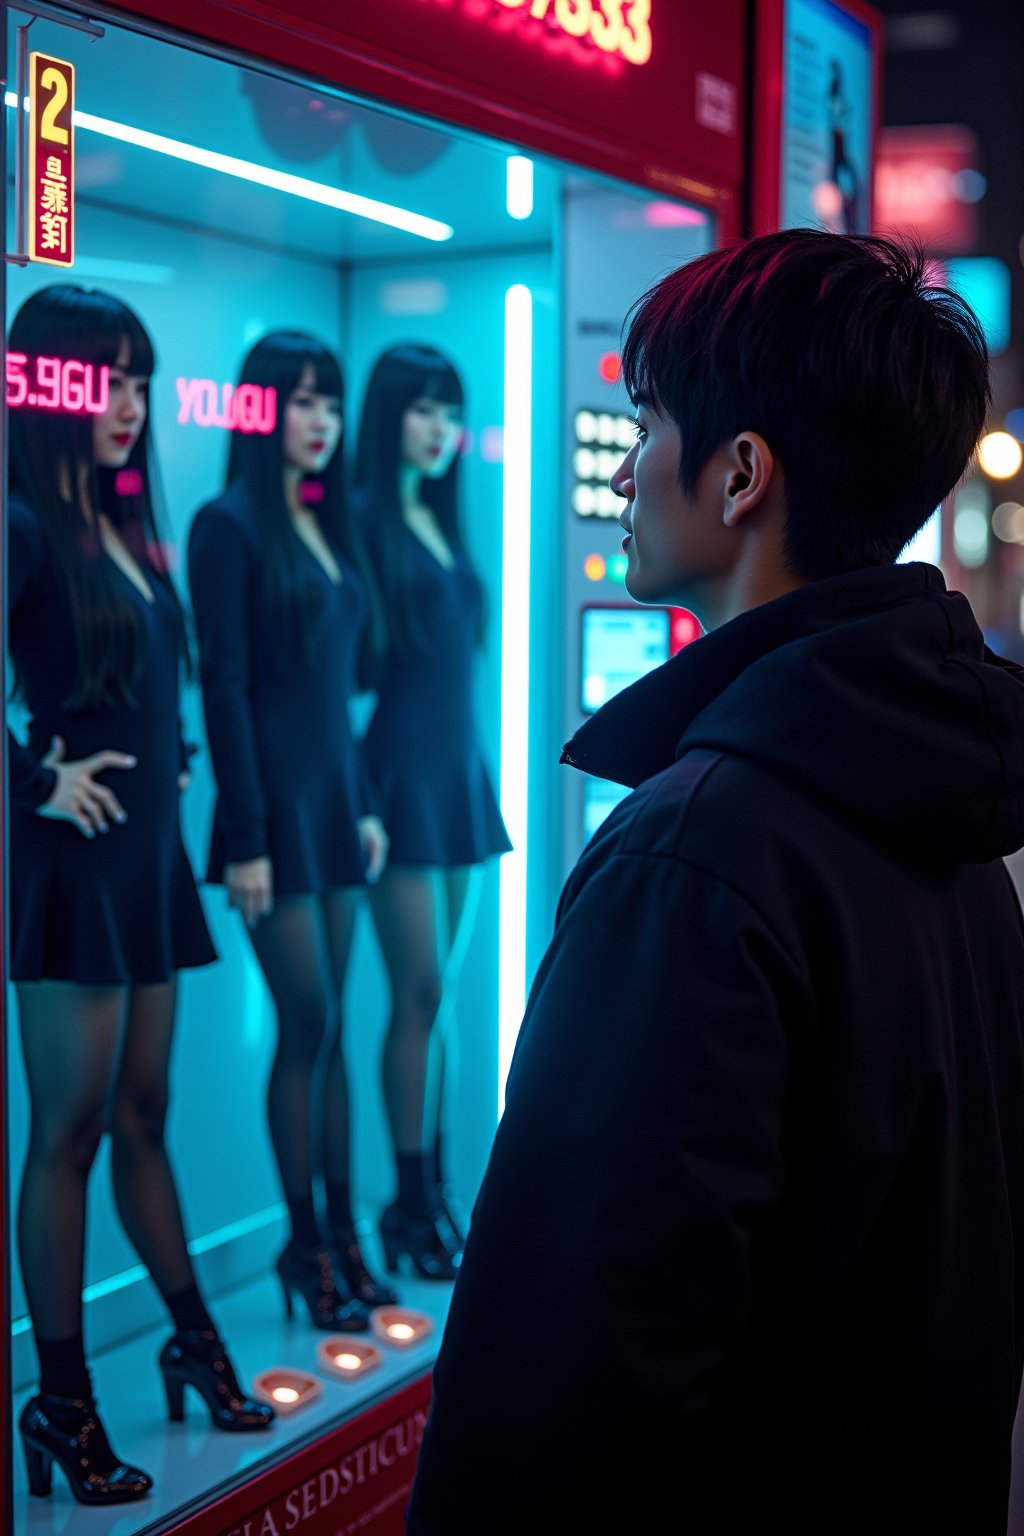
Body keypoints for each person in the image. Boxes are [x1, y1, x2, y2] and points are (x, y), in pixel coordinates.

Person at [405, 231, 1024, 1535]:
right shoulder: (961, 812)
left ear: (741, 473)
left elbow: (566, 1378)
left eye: (647, 423)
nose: (623, 470)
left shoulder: (695, 858)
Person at [9, 286, 273, 1510]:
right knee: (65, 1133)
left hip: (147, 859)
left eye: (136, 381)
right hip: (71, 869)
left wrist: (169, 758)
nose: (123, 405)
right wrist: (34, 778)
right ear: (44, 388)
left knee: (145, 1117)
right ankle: (61, 1404)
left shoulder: (131, 518)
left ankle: (191, 1343)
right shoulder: (17, 521)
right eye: (101, 380)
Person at [188, 330, 392, 1329]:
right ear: (259, 411)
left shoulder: (332, 523)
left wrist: (359, 803)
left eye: (330, 402)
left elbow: (333, 695)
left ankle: (342, 1242)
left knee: (335, 1030)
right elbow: (223, 690)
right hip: (267, 819)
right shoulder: (225, 526)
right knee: (306, 1023)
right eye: (300, 402)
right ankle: (302, 1241)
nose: (318, 421)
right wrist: (250, 835)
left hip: (331, 810)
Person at [353, 344, 510, 1281]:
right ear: (390, 418)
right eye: (421, 411)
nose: (439, 429)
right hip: (398, 783)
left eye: (448, 412)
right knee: (414, 994)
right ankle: (407, 1204)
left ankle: (435, 1192)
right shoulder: (365, 520)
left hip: (458, 777)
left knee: (438, 999)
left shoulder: (442, 517)